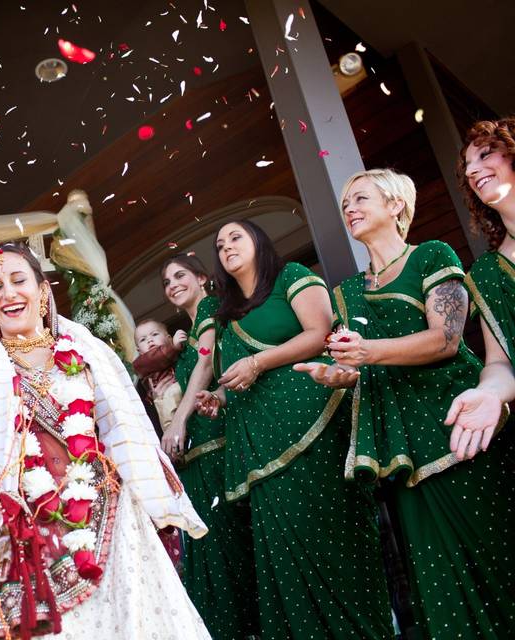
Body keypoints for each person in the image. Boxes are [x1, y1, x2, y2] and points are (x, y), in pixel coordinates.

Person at [0, 244, 211, 640]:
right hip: (31, 542)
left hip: (117, 531)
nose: (9, 294)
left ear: (43, 290)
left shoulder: (89, 354)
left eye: (19, 281)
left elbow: (126, 436)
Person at [295, 168, 515, 638]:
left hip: (459, 426)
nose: (349, 208)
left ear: (396, 206)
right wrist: (335, 376)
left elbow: (446, 339)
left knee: (497, 556)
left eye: (361, 198)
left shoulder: (431, 256)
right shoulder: (346, 293)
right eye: (345, 204)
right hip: (403, 450)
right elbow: (358, 368)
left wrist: (367, 353)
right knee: (440, 583)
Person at [198, 220, 391, 638]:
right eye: (219, 244)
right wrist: (220, 396)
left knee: (332, 538)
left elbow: (322, 334)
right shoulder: (227, 315)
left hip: (313, 427)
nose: (226, 246)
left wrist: (257, 363)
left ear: (259, 241)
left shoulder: (293, 277)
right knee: (285, 556)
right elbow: (240, 374)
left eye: (236, 237)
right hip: (261, 445)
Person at [155, 253, 258, 639]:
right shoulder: (188, 330)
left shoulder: (213, 309)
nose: (173, 285)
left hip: (216, 447)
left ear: (201, 278)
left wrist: (179, 421)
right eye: (167, 282)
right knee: (210, 555)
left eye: (179, 275)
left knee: (227, 549)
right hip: (194, 458)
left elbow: (206, 365)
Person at [447, 117, 515, 460]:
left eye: (486, 154)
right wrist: (490, 391)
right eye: (467, 167)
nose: (473, 171)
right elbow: (501, 363)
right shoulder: (487, 273)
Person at [131, 318, 184, 431]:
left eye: (154, 334)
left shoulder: (180, 357)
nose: (149, 340)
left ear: (169, 338)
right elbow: (156, 358)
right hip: (163, 408)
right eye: (143, 340)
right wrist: (172, 346)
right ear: (139, 351)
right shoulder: (142, 365)